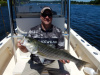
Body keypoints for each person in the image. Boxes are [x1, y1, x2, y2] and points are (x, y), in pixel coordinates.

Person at [17, 6, 70, 75]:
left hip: (53, 62)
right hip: (35, 62)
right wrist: (22, 47)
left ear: (52, 17)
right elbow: (26, 50)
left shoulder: (58, 31)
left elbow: (61, 49)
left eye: (49, 15)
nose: (47, 17)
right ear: (41, 17)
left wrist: (62, 58)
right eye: (44, 15)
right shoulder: (32, 31)